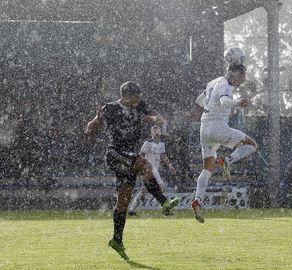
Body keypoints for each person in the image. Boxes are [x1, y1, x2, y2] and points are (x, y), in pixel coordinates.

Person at [85, 81, 179, 260]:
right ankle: (164, 202)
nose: (139, 100)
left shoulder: (140, 106)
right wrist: (96, 120)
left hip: (128, 157)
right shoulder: (110, 108)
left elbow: (158, 118)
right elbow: (91, 127)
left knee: (123, 200)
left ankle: (116, 240)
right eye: (136, 97)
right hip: (115, 153)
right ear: (126, 96)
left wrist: (153, 119)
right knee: (145, 165)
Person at [192, 63, 257, 223]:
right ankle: (227, 161)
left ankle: (197, 200)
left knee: (207, 168)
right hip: (217, 127)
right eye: (242, 78)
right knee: (252, 145)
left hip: (204, 128)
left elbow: (199, 101)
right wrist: (237, 103)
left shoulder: (212, 83)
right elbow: (224, 102)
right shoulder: (226, 84)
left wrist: (213, 106)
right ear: (234, 73)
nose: (241, 82)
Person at [128, 125, 176, 216]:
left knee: (144, 190)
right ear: (151, 133)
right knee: (161, 187)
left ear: (160, 132)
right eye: (154, 130)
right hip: (149, 169)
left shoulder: (162, 144)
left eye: (158, 130)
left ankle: (132, 209)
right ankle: (165, 207)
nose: (156, 132)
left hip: (155, 169)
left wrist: (170, 165)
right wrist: (140, 168)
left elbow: (163, 156)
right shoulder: (147, 143)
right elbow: (140, 155)